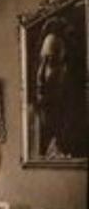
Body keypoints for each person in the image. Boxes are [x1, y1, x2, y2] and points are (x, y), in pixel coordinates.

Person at [31, 14, 87, 160]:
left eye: (51, 62)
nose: (40, 74)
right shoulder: (32, 123)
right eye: (40, 61)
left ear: (68, 69)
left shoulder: (81, 128)